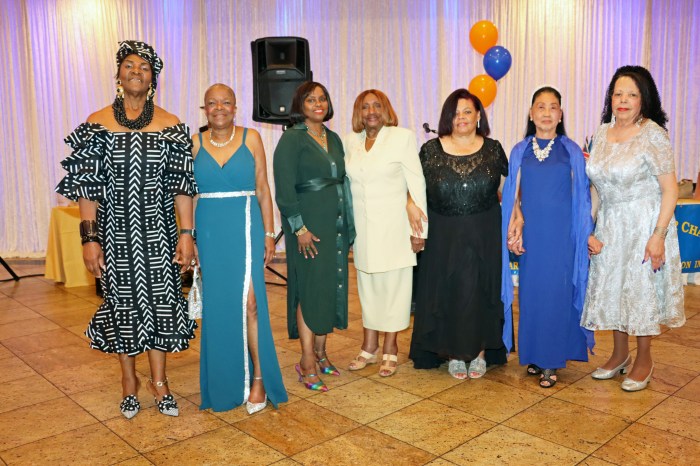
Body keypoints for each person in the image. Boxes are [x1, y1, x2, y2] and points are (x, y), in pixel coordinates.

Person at [55, 41, 196, 418]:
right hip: (115, 233)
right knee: (124, 306)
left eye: (145, 67)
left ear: (153, 78)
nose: (136, 71)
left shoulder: (171, 124)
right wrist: (90, 239)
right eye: (129, 65)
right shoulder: (96, 123)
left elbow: (182, 188)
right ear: (118, 74)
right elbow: (88, 189)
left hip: (161, 231)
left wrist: (187, 235)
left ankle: (160, 381)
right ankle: (129, 381)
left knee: (162, 304)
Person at [582, 65, 685, 392]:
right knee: (614, 288)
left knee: (640, 292)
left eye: (631, 94)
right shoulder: (602, 132)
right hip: (611, 224)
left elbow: (669, 189)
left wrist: (659, 235)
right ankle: (619, 354)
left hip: (644, 224)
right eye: (617, 94)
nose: (623, 100)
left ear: (644, 99)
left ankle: (644, 358)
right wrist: (591, 226)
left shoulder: (653, 134)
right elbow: (596, 185)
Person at [193, 84, 287, 414]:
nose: (219, 108)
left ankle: (259, 378)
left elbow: (263, 187)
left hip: (246, 225)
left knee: (251, 304)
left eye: (226, 102)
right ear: (204, 109)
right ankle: (225, 383)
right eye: (211, 103)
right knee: (218, 307)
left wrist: (269, 232)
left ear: (236, 107)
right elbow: (189, 194)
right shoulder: (194, 142)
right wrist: (189, 236)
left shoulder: (251, 138)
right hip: (209, 230)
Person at [409, 88, 508, 380]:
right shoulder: (430, 150)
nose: (461, 117)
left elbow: (510, 188)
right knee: (447, 290)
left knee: (480, 289)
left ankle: (478, 352)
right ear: (446, 118)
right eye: (455, 112)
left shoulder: (494, 148)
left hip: (484, 230)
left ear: (479, 115)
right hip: (443, 231)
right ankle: (452, 352)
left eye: (467, 111)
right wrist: (409, 208)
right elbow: (410, 187)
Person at [501, 86, 594, 389]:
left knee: (555, 294)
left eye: (553, 107)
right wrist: (516, 219)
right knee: (531, 294)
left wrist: (585, 235)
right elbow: (512, 195)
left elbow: (582, 197)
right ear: (531, 113)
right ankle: (535, 355)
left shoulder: (570, 150)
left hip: (560, 236)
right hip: (532, 235)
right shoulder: (520, 150)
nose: (546, 112)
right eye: (540, 106)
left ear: (560, 114)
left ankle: (551, 362)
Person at [273, 82, 353, 391]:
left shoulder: (332, 138)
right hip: (307, 229)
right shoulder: (292, 139)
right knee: (309, 290)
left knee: (329, 288)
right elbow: (284, 187)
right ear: (300, 104)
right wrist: (299, 228)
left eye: (322, 99)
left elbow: (341, 182)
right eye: (310, 99)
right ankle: (306, 360)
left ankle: (321, 353)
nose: (318, 103)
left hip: (333, 227)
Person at [343, 90, 428, 377]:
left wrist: (421, 231)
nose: (371, 111)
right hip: (363, 230)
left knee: (395, 289)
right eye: (365, 107)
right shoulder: (350, 142)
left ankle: (390, 347)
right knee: (368, 288)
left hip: (396, 228)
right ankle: (369, 346)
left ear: (386, 109)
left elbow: (416, 183)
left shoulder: (402, 137)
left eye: (376, 106)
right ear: (358, 112)